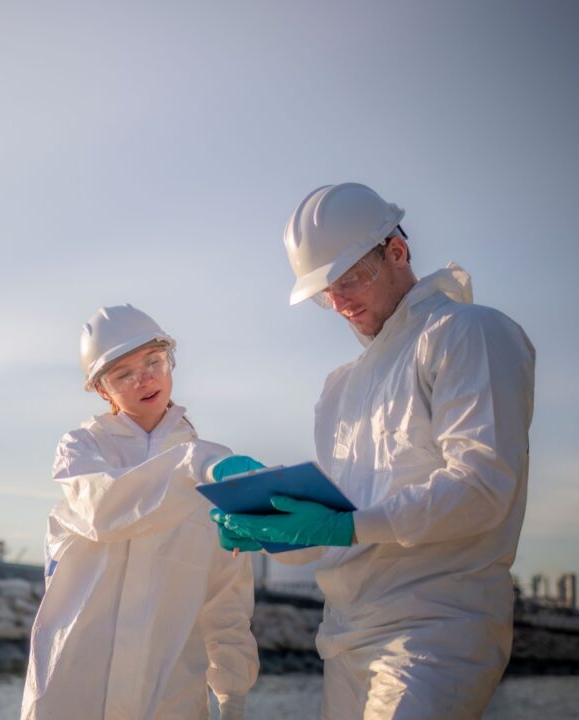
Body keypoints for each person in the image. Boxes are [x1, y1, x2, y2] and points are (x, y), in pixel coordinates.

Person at [213, 183, 535, 719]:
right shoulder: (340, 388)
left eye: (351, 279)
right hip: (342, 638)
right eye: (325, 292)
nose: (340, 302)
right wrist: (270, 524)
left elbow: (481, 491)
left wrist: (344, 525)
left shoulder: (468, 334)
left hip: (435, 631)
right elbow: (340, 529)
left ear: (398, 252)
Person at [21, 304, 258, 720]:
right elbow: (104, 509)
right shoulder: (82, 450)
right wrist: (192, 465)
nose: (145, 379)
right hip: (73, 693)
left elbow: (226, 593)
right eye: (123, 374)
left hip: (171, 697)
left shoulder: (215, 467)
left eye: (154, 362)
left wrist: (232, 694)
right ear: (101, 390)